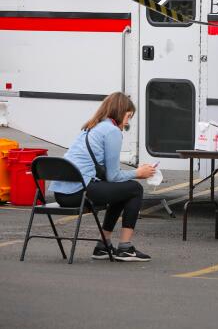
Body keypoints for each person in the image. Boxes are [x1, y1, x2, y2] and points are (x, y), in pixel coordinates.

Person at [50, 92, 157, 261]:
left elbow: (109, 177)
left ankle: (103, 246)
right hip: (80, 192)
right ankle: (125, 248)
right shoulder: (112, 131)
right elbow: (113, 176)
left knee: (121, 191)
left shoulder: (92, 126)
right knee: (134, 188)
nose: (128, 122)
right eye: (129, 116)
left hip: (62, 194)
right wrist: (138, 173)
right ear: (120, 112)